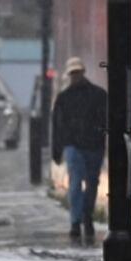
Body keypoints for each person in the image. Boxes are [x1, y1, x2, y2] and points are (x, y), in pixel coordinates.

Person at [51, 57, 107, 240]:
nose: (75, 76)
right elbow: (58, 126)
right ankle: (78, 220)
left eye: (77, 73)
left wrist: (57, 150)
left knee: (90, 182)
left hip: (89, 144)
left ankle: (85, 216)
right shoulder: (95, 95)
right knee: (78, 181)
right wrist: (57, 149)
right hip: (79, 144)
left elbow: (57, 125)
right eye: (73, 73)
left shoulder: (94, 96)